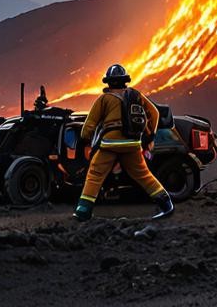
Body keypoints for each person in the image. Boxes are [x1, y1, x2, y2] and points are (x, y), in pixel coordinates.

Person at [73, 63, 174, 222]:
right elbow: (154, 113)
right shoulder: (136, 95)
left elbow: (89, 125)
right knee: (143, 175)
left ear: (108, 82)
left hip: (110, 145)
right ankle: (166, 204)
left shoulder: (104, 99)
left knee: (95, 174)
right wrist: (150, 136)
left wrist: (85, 138)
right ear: (125, 80)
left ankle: (83, 210)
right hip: (132, 144)